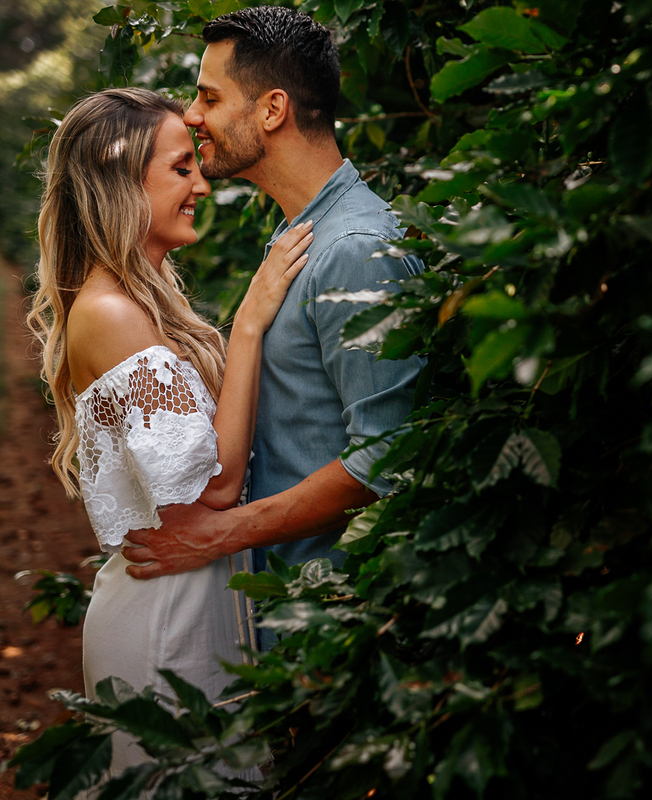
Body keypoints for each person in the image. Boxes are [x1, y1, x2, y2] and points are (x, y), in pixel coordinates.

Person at [27, 87, 314, 775]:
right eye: (181, 168)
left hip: (199, 602)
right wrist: (249, 324)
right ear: (121, 178)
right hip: (167, 622)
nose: (200, 187)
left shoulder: (146, 300)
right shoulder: (111, 313)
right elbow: (211, 488)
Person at [120, 6, 424, 648]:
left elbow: (389, 452)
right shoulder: (299, 230)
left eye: (209, 96)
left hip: (339, 625)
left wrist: (225, 533)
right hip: (286, 616)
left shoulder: (355, 249)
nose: (193, 115)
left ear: (272, 109)